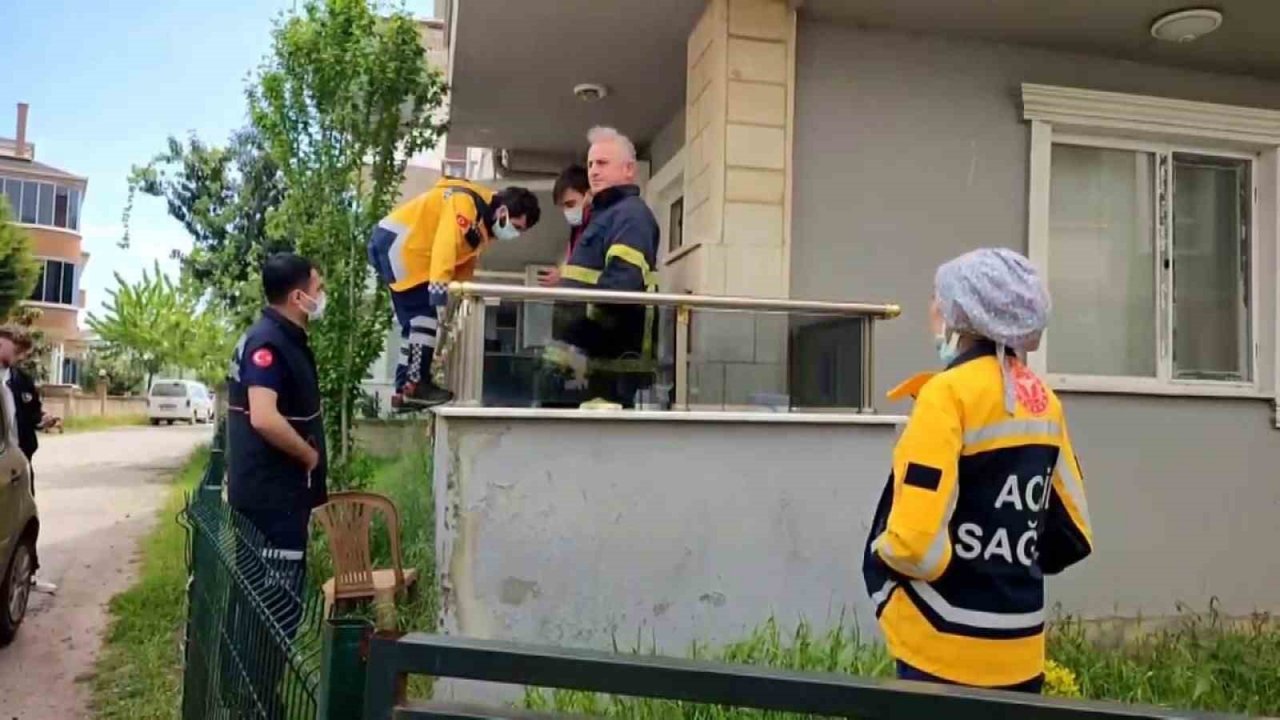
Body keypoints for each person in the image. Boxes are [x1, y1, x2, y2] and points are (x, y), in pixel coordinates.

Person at [862, 248, 1093, 693]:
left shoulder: (946, 395)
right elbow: (1074, 531)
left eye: (939, 298)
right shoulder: (1045, 401)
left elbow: (915, 547)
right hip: (1022, 646)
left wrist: (878, 555)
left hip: (942, 643)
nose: (933, 309)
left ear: (962, 315)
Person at [224, 253, 328, 715]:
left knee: (263, 607)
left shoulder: (283, 337)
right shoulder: (268, 342)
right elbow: (265, 418)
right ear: (297, 296)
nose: (322, 296)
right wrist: (309, 456)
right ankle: (257, 702)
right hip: (273, 498)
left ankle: (254, 697)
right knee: (272, 609)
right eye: (318, 288)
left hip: (279, 496)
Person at [368, 177, 541, 409]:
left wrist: (458, 298)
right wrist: (439, 292)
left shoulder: (482, 224)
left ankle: (404, 389)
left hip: (401, 247)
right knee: (423, 319)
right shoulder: (465, 203)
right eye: (516, 226)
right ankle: (417, 384)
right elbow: (445, 245)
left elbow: (464, 263)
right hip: (403, 246)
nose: (514, 234)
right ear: (502, 211)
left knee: (413, 326)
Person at [550, 127, 660, 407]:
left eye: (602, 163)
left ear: (628, 170)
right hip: (587, 359)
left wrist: (577, 335)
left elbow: (620, 288)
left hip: (607, 363)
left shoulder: (631, 215)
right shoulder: (605, 216)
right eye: (590, 164)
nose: (593, 171)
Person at [3, 331, 57, 594]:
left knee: (25, 518)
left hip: (19, 462)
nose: (17, 354)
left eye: (20, 351)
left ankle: (26, 574)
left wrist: (43, 420)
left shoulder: (21, 380)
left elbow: (33, 413)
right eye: (14, 347)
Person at [538, 164, 592, 287]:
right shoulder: (577, 229)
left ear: (588, 195)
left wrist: (563, 275)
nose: (567, 212)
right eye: (563, 207)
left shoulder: (599, 227)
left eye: (570, 204)